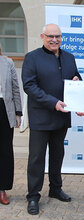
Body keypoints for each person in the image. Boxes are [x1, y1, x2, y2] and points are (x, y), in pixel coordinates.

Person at [22, 24, 81, 215]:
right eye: (50, 36)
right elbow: (29, 86)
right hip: (41, 117)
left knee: (57, 155)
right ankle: (33, 196)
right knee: (37, 158)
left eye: (58, 36)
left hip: (61, 117)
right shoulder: (32, 57)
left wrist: (78, 87)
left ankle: (55, 189)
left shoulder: (69, 57)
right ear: (42, 37)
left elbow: (75, 78)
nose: (54, 39)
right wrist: (52, 102)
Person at [0, 43, 22, 205]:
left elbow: (15, 88)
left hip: (4, 110)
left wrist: (18, 113)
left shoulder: (7, 62)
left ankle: (2, 189)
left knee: (4, 151)